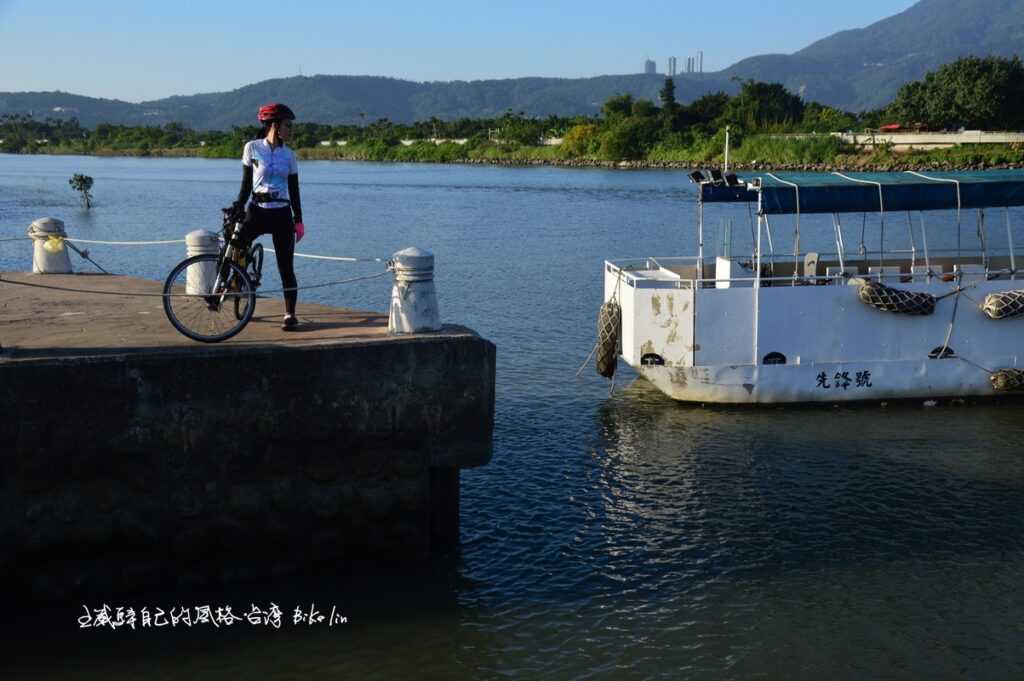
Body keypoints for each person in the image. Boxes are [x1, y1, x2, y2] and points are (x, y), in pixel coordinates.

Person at [233, 102, 305, 330]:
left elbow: (294, 190)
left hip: (282, 213)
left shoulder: (289, 155)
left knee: (286, 267)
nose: (290, 130)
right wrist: (238, 204)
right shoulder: (252, 148)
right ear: (274, 125)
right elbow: (246, 184)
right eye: (287, 125)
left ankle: (290, 314)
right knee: (236, 248)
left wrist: (299, 220)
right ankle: (242, 284)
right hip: (256, 210)